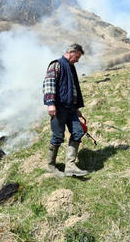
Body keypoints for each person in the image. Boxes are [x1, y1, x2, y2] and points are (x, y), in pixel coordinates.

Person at [43, 43, 88, 177]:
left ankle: (70, 166)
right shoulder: (56, 64)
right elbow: (48, 83)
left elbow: (72, 89)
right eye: (77, 56)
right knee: (57, 136)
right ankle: (50, 166)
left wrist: (77, 107)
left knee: (78, 132)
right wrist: (50, 103)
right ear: (70, 52)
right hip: (59, 108)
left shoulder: (71, 67)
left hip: (71, 109)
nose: (78, 60)